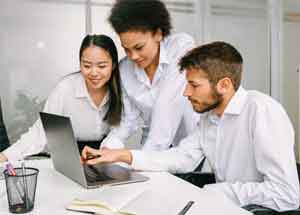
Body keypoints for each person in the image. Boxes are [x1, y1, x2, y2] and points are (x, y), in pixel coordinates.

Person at [81, 41, 300, 212]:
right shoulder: (209, 117)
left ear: (224, 85)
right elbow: (182, 157)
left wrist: (216, 191)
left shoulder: (261, 110)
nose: (186, 93)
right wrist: (121, 156)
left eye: (193, 85)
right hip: (221, 207)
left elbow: (286, 194)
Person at [0, 34, 123, 162]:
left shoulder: (121, 89)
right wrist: (5, 156)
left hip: (106, 158)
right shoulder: (65, 89)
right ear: (80, 63)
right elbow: (40, 133)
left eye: (102, 66)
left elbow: (122, 131)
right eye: (86, 65)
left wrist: (106, 154)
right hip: (71, 160)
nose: (94, 72)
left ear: (113, 65)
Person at [101, 0, 198, 151]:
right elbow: (127, 120)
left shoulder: (181, 47)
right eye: (126, 49)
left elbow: (167, 104)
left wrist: (142, 160)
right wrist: (107, 149)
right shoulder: (125, 69)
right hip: (151, 150)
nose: (133, 56)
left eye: (139, 47)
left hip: (190, 150)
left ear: (158, 34)